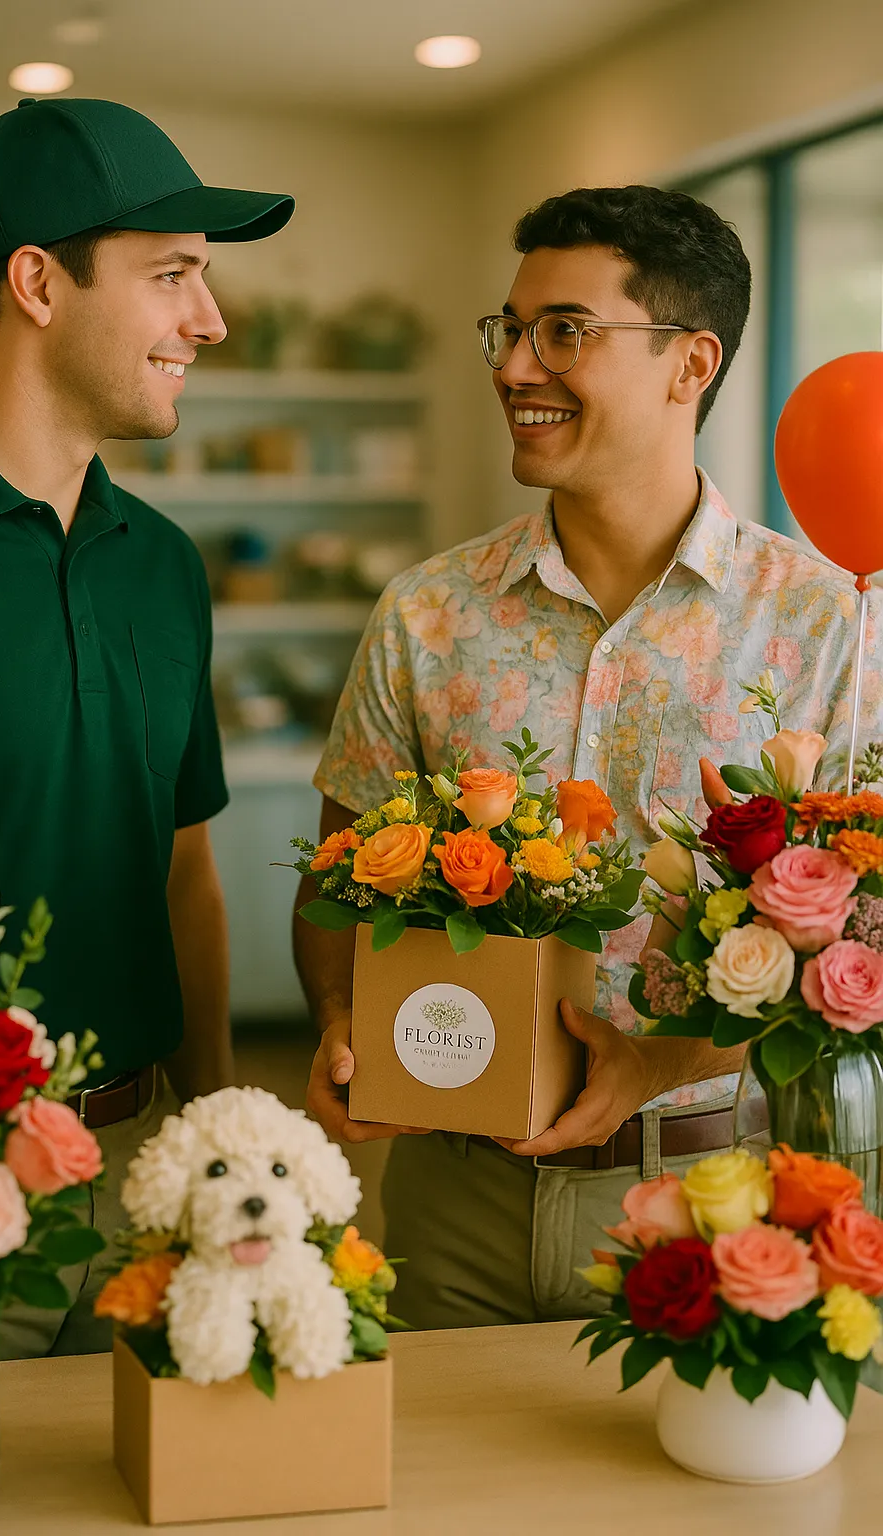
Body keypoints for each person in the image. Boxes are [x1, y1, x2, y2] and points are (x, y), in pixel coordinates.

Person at [296, 184, 881, 1330]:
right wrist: (337, 1017)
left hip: (716, 1205)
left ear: (688, 363)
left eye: (564, 331)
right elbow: (334, 885)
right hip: (448, 1196)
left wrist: (659, 1063)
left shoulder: (826, 627)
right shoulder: (426, 613)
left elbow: (866, 935)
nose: (516, 367)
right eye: (510, 330)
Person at [0, 96, 294, 1355]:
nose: (209, 320)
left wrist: (216, 1129)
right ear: (38, 284)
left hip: (143, 1179)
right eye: (171, 276)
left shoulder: (159, 561)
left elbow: (183, 866)